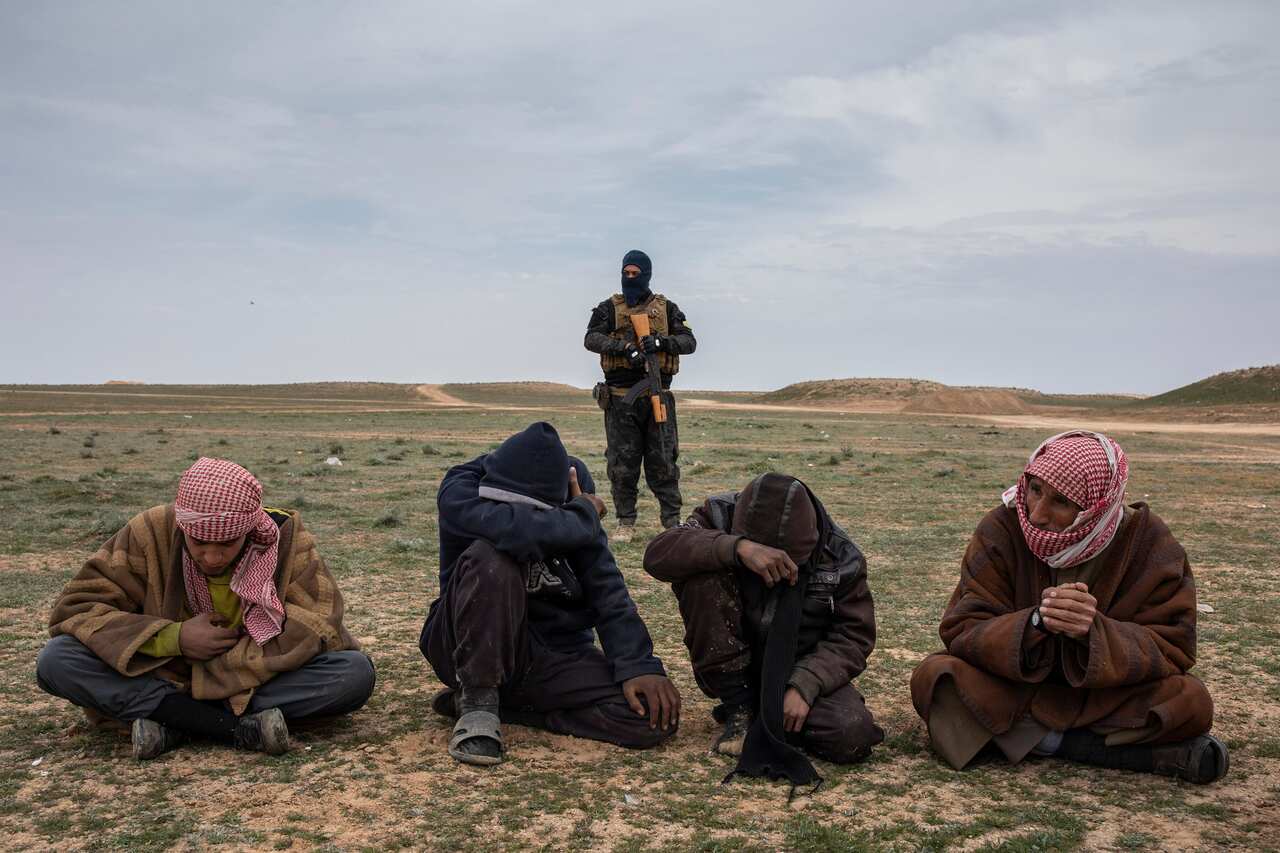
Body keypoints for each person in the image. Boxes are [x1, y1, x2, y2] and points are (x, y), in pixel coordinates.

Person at [910, 431, 1227, 784]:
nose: (1038, 513)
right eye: (1034, 490)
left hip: (1104, 694)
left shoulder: (1149, 543)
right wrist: (1033, 623)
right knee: (936, 677)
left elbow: (1173, 645)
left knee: (1190, 701)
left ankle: (1040, 741)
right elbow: (963, 626)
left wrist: (1094, 631)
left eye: (1060, 501)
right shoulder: (1002, 527)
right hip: (1012, 685)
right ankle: (1098, 749)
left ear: (1097, 507)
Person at [36, 457, 375, 760]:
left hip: (253, 674)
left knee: (352, 674)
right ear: (183, 526)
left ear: (249, 529)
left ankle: (174, 720)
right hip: (165, 672)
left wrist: (227, 664)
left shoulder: (283, 536)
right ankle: (234, 727)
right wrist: (175, 638)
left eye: (228, 543)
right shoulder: (149, 532)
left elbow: (318, 620)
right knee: (57, 660)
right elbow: (79, 608)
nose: (212, 557)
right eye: (198, 542)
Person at [419, 422, 681, 766]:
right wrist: (582, 515)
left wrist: (637, 664)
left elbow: (604, 582)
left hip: (553, 653)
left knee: (648, 717)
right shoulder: (462, 488)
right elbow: (515, 532)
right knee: (491, 557)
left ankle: (515, 710)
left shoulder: (572, 485)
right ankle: (478, 702)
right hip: (466, 644)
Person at [644, 473, 883, 788]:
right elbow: (659, 555)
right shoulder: (718, 515)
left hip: (798, 669)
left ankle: (773, 715)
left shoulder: (841, 556)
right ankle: (740, 710)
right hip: (735, 663)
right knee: (701, 576)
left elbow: (854, 635)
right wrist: (736, 548)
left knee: (851, 733)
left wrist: (806, 684)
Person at [584, 249, 696, 540]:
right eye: (626, 273)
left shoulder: (667, 308)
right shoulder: (608, 308)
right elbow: (591, 338)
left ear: (646, 274)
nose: (630, 278)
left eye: (636, 274)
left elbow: (689, 341)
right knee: (622, 464)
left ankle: (672, 522)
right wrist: (625, 348)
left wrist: (660, 341)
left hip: (658, 395)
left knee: (664, 462)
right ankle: (626, 522)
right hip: (622, 399)